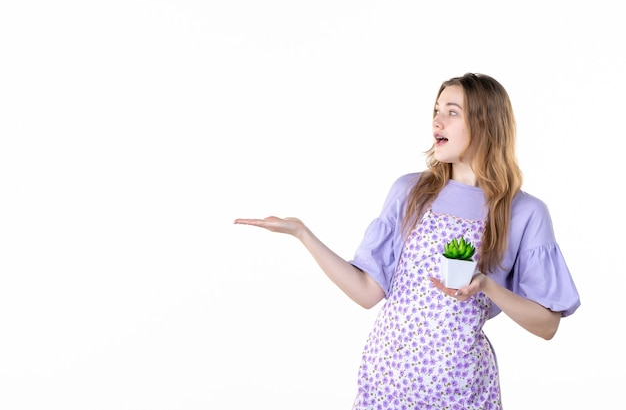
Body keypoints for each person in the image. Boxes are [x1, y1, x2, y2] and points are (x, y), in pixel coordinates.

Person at [234, 73, 581, 409]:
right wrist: (302, 234)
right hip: (389, 380)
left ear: (486, 123)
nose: (437, 121)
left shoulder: (524, 212)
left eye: (452, 112)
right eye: (436, 110)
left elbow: (547, 326)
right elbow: (368, 292)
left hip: (462, 391)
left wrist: (487, 286)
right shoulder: (411, 192)